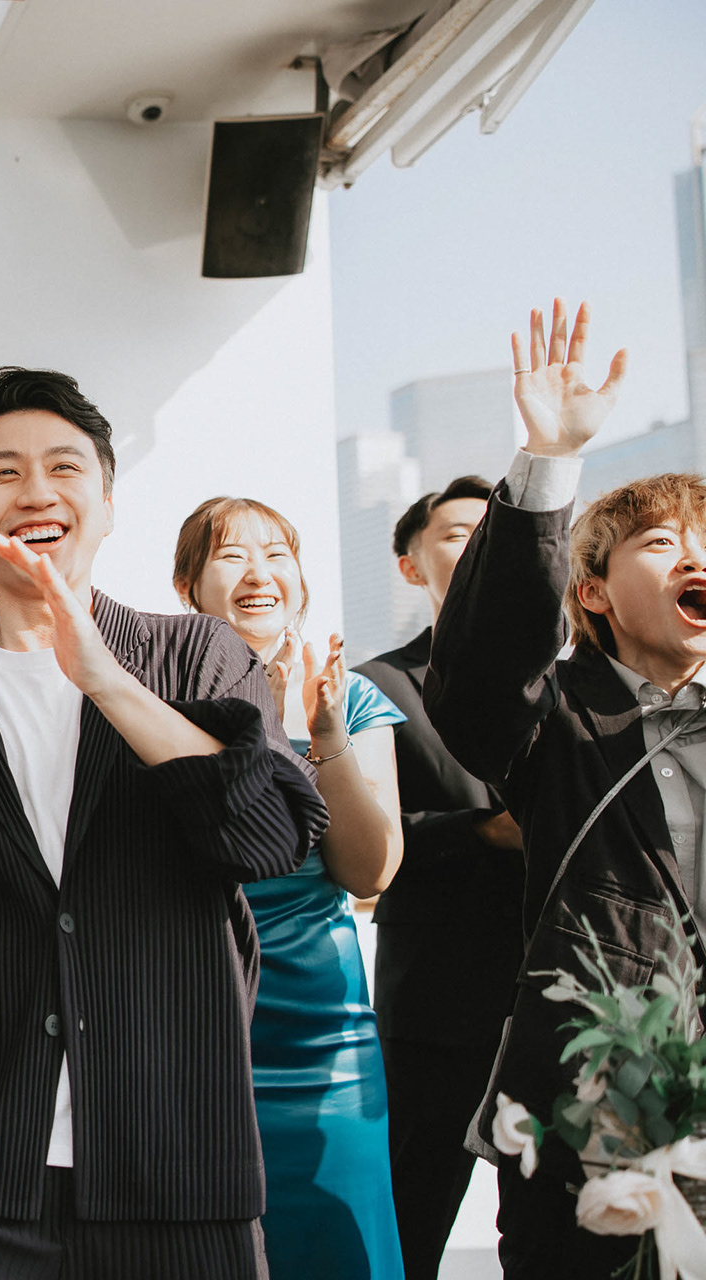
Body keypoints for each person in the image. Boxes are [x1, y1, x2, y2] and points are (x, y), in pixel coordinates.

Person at [0, 367, 327, 1280]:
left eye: (64, 468)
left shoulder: (195, 653)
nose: (36, 491)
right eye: (3, 472)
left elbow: (267, 838)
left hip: (174, 1161)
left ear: (106, 505)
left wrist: (105, 677)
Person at [426, 300, 667, 1279]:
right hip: (590, 1120)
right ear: (594, 591)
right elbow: (483, 676)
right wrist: (549, 461)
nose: (696, 557)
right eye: (662, 543)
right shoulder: (562, 718)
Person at [174, 495, 407, 1279]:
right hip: (195, 1026)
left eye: (277, 554)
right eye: (232, 555)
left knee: (342, 1251)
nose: (259, 572)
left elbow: (370, 871)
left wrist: (326, 731)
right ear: (186, 587)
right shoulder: (157, 701)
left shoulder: (354, 698)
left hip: (325, 1038)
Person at [354, 476, 527, 1280]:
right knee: (409, 1223)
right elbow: (355, 839)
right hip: (438, 1001)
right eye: (458, 533)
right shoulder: (375, 686)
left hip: (559, 998)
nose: (481, 544)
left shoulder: (572, 683)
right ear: (409, 564)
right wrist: (482, 831)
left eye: (495, 531)